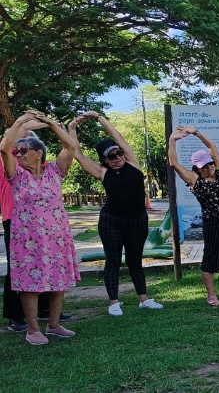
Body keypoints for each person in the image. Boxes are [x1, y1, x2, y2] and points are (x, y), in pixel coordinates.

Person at [69, 111, 165, 316]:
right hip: (112, 221)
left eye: (119, 153)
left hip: (137, 219)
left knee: (135, 260)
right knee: (113, 260)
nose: (117, 158)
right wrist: (72, 128)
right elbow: (77, 153)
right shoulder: (103, 172)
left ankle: (144, 299)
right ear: (105, 160)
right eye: (111, 157)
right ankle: (113, 302)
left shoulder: (132, 163)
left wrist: (99, 118)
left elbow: (119, 137)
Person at [1, 111, 80, 345]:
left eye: (24, 150)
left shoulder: (55, 171)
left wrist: (50, 124)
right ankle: (33, 329)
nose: (19, 154)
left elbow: (70, 145)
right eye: (18, 151)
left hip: (57, 236)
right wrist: (18, 123)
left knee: (59, 279)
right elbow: (5, 147)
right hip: (27, 238)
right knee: (29, 283)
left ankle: (54, 325)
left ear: (39, 153)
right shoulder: (16, 175)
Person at [168, 126, 219, 305]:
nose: (209, 168)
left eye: (210, 163)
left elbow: (212, 147)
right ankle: (211, 295)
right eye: (204, 166)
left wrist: (196, 132)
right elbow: (173, 163)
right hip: (214, 223)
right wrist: (172, 140)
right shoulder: (195, 180)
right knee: (211, 258)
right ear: (197, 168)